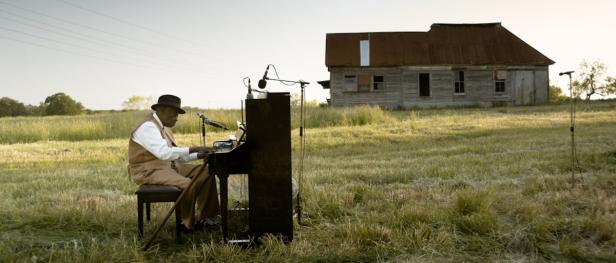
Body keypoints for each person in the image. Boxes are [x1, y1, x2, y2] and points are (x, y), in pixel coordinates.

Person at [127, 94, 219, 232]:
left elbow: (174, 155)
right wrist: (194, 148)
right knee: (187, 185)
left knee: (207, 172)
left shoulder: (163, 127)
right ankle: (186, 223)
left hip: (167, 166)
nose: (176, 118)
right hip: (148, 171)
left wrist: (199, 155)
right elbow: (164, 153)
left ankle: (206, 218)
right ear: (162, 110)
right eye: (174, 113)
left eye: (178, 114)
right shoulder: (148, 127)